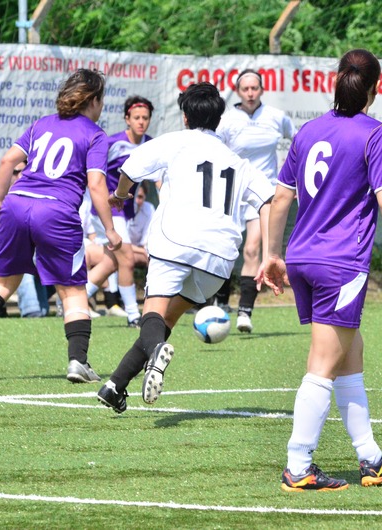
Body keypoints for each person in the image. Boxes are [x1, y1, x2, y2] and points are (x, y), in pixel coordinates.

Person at [260, 49, 382, 492]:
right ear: (375, 88)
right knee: (323, 364)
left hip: (303, 257)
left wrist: (271, 254)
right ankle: (298, 465)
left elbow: (280, 198)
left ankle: (371, 458)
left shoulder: (309, 131)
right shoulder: (374, 133)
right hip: (341, 263)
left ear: (337, 81)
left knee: (351, 353)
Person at [96, 81, 274, 414]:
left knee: (152, 314)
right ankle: (115, 386)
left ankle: (156, 351)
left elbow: (129, 169)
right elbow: (269, 201)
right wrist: (271, 255)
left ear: (185, 117)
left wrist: (119, 195)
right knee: (166, 319)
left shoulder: (174, 141)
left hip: (175, 241)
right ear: (218, 120)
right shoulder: (236, 161)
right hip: (219, 258)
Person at [0, 68, 121, 383]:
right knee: (72, 291)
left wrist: (1, 199)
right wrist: (110, 230)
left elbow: (7, 161)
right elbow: (96, 184)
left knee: (2, 282)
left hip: (17, 204)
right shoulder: (96, 135)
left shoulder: (42, 124)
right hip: (56, 211)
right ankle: (78, 362)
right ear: (94, 100)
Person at [216, 69, 296, 333]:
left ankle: (245, 312)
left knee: (252, 249)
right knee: (224, 251)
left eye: (254, 88)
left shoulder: (276, 117)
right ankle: (218, 304)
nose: (250, 93)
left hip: (262, 194)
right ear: (238, 92)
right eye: (245, 89)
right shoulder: (226, 120)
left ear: (261, 90)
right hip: (231, 192)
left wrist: (294, 179)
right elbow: (215, 152)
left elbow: (299, 144)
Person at [86, 96, 155, 327]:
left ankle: (76, 300)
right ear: (127, 119)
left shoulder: (151, 145)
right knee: (126, 258)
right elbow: (93, 172)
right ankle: (134, 314)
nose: (141, 122)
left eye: (145, 118)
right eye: (136, 117)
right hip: (106, 208)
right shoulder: (112, 143)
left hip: (125, 212)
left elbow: (159, 178)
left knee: (111, 262)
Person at [0, 162, 49, 318]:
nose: (19, 175)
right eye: (14, 171)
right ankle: (31, 311)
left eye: (23, 171)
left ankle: (45, 309)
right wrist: (10, 237)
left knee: (47, 261)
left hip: (28, 247)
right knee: (22, 261)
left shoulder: (31, 192)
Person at [127, 180, 155, 270]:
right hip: (124, 250)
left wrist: (142, 251)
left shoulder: (149, 209)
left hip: (138, 251)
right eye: (134, 196)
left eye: (140, 197)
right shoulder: (122, 208)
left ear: (145, 196)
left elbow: (145, 242)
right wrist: (142, 251)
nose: (136, 200)